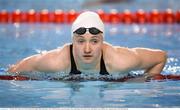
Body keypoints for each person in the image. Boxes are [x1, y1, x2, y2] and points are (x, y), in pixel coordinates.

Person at [8, 11, 167, 79]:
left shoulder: (120, 60)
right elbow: (14, 71)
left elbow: (161, 57)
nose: (87, 49)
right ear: (73, 42)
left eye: (94, 41)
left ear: (102, 42)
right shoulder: (56, 61)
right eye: (81, 41)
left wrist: (144, 80)